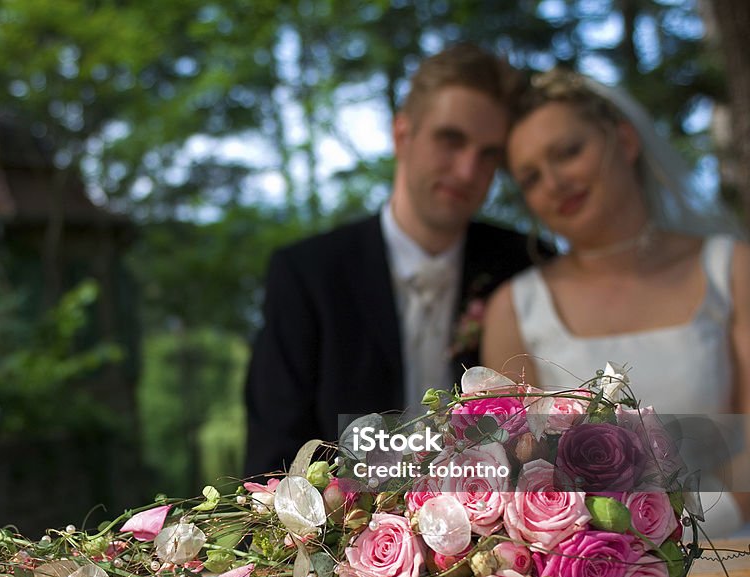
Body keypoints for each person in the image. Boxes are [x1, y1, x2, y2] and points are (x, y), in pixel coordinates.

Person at [244, 44, 540, 477]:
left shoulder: (524, 265)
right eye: (451, 139)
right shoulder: (308, 274)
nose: (467, 170)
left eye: (489, 154)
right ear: (402, 135)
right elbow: (274, 461)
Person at [481, 67, 750, 535]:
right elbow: (513, 470)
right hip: (583, 576)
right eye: (530, 177)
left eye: (568, 152)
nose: (554, 181)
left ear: (624, 140)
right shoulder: (514, 308)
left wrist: (663, 541)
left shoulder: (732, 269)